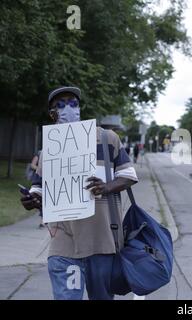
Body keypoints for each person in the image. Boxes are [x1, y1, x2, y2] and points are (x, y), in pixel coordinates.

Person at [20, 86, 138, 300]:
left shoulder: (107, 138)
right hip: (63, 242)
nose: (69, 109)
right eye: (61, 105)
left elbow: (128, 175)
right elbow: (37, 190)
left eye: (73, 103)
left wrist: (106, 186)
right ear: (52, 114)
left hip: (101, 240)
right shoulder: (48, 151)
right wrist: (32, 200)